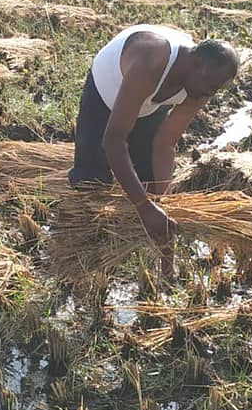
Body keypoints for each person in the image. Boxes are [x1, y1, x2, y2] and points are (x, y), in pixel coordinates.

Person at [69, 24, 239, 247]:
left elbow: (165, 144)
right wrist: (144, 206)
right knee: (91, 177)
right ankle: (83, 241)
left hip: (149, 101)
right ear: (196, 65)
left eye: (217, 89)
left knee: (149, 177)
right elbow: (113, 140)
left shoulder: (202, 83)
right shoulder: (150, 62)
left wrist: (161, 203)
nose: (210, 94)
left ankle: (148, 242)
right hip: (106, 91)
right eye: (211, 86)